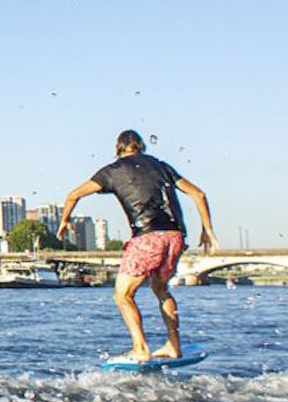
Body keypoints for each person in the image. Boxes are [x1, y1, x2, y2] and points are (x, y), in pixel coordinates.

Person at [58, 130, 217, 364]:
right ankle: (174, 346)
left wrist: (64, 220)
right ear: (141, 146)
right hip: (175, 237)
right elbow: (199, 194)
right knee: (161, 290)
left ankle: (140, 348)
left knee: (123, 295)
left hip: (146, 239)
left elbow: (74, 195)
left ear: (118, 147)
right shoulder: (162, 166)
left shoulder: (112, 171)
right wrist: (208, 230)